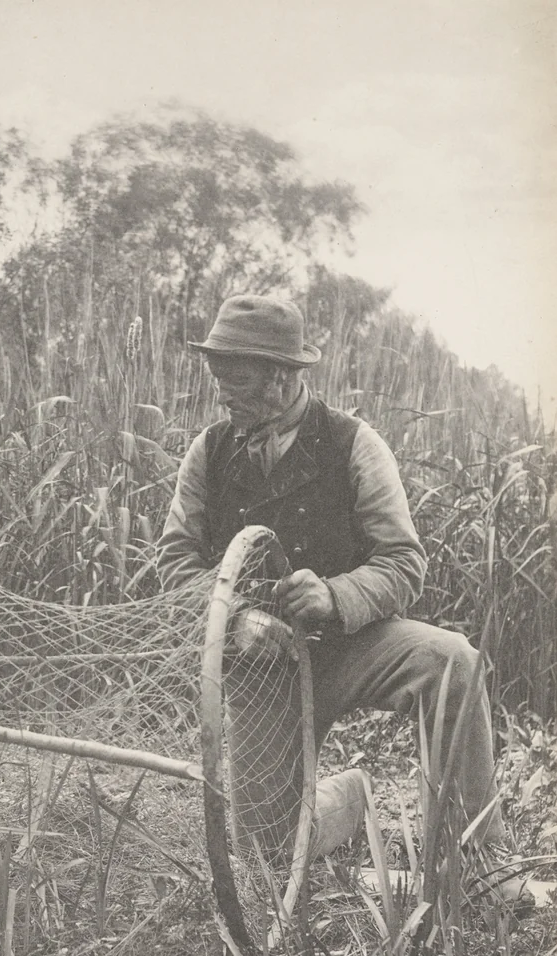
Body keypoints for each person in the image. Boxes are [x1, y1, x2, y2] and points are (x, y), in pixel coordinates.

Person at [157, 294, 531, 903]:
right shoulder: (207, 452)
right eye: (218, 377)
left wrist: (334, 595)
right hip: (262, 666)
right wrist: (236, 620)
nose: (223, 393)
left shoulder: (356, 444)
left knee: (452, 661)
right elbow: (175, 563)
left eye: (239, 379)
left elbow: (404, 563)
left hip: (354, 643)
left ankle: (479, 863)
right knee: (266, 856)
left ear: (283, 375)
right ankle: (348, 798)